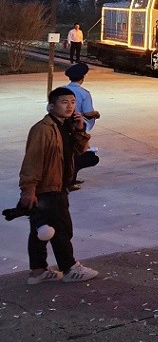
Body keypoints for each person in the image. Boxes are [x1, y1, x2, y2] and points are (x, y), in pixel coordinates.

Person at [19, 87, 99, 285]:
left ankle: (38, 271)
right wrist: (28, 189)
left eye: (72, 102)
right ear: (51, 105)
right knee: (62, 228)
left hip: (58, 184)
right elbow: (32, 160)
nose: (70, 106)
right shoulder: (43, 129)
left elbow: (78, 151)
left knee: (42, 231)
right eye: (64, 102)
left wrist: (80, 130)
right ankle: (69, 268)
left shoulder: (65, 125)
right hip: (48, 187)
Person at [64, 62, 101, 190]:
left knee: (70, 152)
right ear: (82, 78)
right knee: (80, 153)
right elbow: (88, 112)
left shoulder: (62, 90)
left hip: (64, 126)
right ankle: (70, 181)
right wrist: (96, 114)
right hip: (79, 126)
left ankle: (71, 177)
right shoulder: (84, 93)